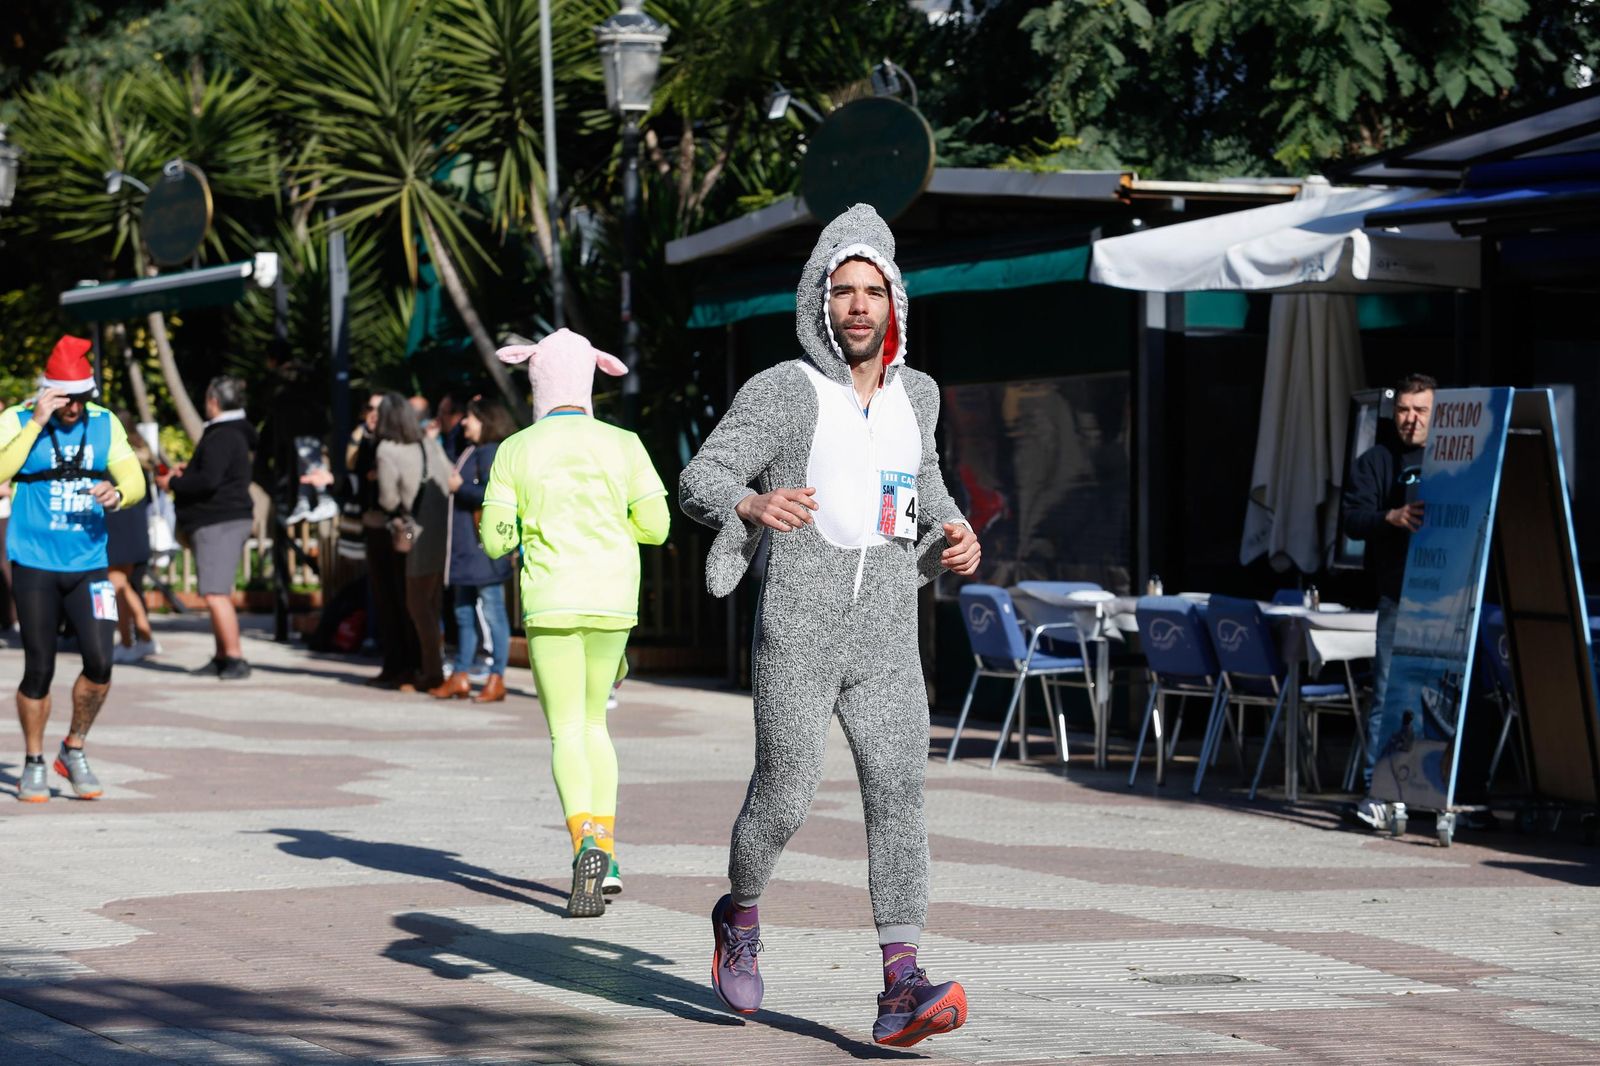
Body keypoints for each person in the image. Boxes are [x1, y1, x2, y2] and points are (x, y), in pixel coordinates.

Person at [678, 204, 981, 1047]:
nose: (857, 305)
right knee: (785, 795)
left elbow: (924, 485)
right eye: (842, 290)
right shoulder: (785, 389)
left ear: (895, 305)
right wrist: (749, 502)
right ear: (819, 300)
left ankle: (901, 983)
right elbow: (701, 475)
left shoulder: (918, 394)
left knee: (899, 793)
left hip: (887, 634)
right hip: (799, 630)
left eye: (872, 292)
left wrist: (955, 530)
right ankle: (740, 913)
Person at [481, 328, 670, 918]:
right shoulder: (625, 443)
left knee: (565, 731)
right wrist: (613, 528)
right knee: (596, 726)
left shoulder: (515, 450)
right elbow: (657, 526)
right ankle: (607, 852)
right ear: (592, 375)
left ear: (535, 379)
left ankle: (585, 841)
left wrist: (524, 528)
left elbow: (495, 539)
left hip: (550, 601)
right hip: (612, 599)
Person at [0, 336, 146, 802]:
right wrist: (35, 424)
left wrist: (118, 494)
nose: (74, 408)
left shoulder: (104, 423)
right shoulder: (18, 419)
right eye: (65, 399)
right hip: (34, 563)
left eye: (82, 398)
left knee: (101, 662)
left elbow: (135, 478)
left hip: (89, 564)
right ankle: (33, 761)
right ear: (48, 393)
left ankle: (73, 748)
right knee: (39, 668)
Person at [1342, 373, 1435, 829]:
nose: (1410, 419)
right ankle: (1377, 792)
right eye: (1403, 410)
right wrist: (1389, 516)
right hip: (1398, 593)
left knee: (1445, 697)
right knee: (1388, 694)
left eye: (1420, 410)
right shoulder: (1376, 461)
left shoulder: (1455, 458)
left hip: (1450, 597)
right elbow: (1352, 519)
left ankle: (1438, 791)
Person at [158, 376, 258, 680]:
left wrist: (173, 483)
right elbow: (215, 473)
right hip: (223, 518)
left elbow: (209, 480)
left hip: (219, 520)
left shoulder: (222, 435)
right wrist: (188, 472)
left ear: (214, 401)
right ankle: (222, 655)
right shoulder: (232, 432)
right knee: (215, 591)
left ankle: (235, 657)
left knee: (215, 593)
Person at [431, 397, 517, 703]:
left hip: (482, 549)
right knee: (463, 612)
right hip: (466, 549)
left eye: (471, 417)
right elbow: (452, 442)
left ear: (486, 421)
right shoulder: (471, 449)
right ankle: (460, 675)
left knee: (493, 612)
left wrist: (460, 488)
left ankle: (497, 677)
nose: (465, 422)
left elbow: (493, 494)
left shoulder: (490, 452)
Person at [375, 392, 452, 691]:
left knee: (418, 606)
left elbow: (388, 499)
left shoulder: (387, 449)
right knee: (433, 603)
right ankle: (433, 666)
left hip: (417, 534)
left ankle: (432, 672)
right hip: (443, 530)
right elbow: (449, 477)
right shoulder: (427, 442)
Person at [356, 393, 419, 687]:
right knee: (407, 601)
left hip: (389, 529)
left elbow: (387, 498)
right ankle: (409, 665)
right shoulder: (418, 445)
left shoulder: (386, 449)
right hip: (413, 529)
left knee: (392, 599)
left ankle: (400, 666)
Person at [106, 409, 160, 663]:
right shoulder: (144, 455)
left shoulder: (115, 456)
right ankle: (143, 638)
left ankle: (130, 642)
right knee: (124, 585)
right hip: (136, 527)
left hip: (117, 526)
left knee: (117, 585)